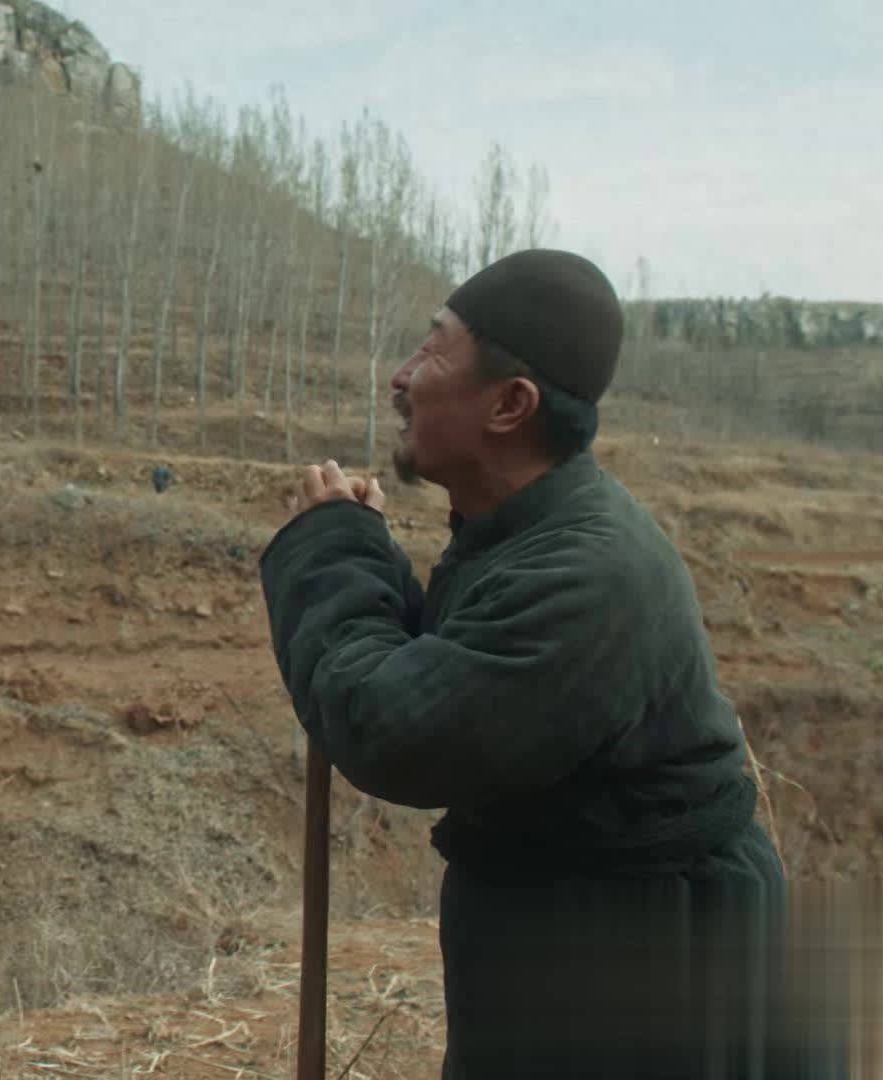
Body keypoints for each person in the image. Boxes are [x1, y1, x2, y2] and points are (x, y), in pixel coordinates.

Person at [258, 250, 828, 1077]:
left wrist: (330, 555)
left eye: (431, 351)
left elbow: (393, 732)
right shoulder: (523, 534)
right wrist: (357, 552)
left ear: (511, 404)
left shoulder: (589, 575)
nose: (401, 377)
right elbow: (450, 667)